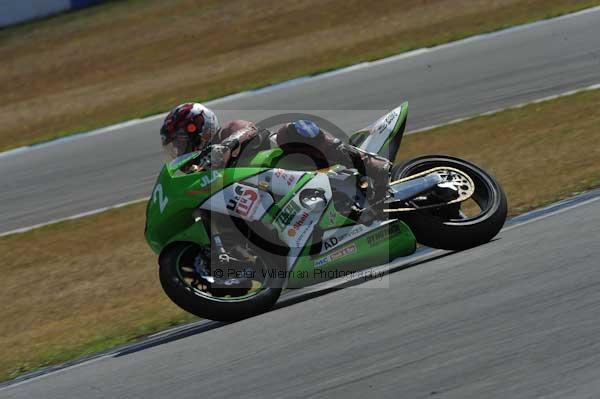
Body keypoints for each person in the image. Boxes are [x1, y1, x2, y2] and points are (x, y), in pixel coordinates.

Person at [160, 102, 392, 202]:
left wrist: (225, 147)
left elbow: (249, 130)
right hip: (276, 198)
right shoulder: (201, 173)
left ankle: (369, 164)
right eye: (176, 148)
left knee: (293, 130)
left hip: (295, 165)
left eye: (182, 143)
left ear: (201, 130)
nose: (181, 151)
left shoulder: (227, 132)